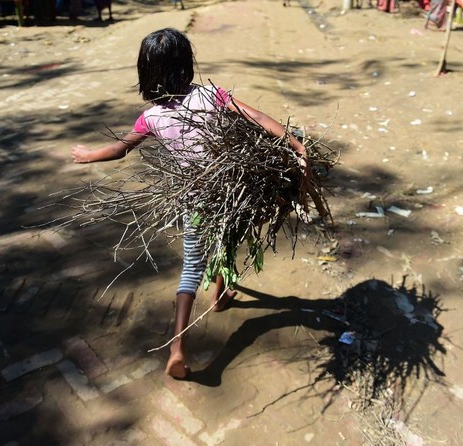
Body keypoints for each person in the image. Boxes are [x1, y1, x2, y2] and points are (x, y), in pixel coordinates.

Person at [70, 28, 309, 379]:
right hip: (230, 193)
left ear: (146, 71)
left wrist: (89, 155)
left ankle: (178, 346)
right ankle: (221, 293)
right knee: (230, 236)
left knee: (191, 268)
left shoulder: (151, 117)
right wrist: (296, 145)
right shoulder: (211, 95)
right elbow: (256, 117)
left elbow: (120, 149)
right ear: (186, 64)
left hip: (195, 199)